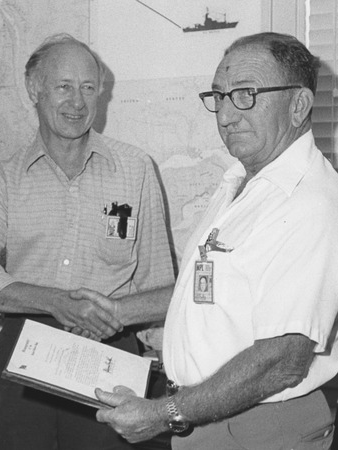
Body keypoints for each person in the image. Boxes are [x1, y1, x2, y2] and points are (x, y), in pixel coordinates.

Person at [75, 32, 338, 450]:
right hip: (211, 417)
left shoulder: (308, 201)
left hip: (260, 427)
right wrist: (119, 311)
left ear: (299, 105)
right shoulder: (241, 180)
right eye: (219, 96)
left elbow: (283, 360)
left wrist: (166, 414)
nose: (226, 115)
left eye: (246, 94)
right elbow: (210, 285)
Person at [0, 33, 175, 450]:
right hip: (25, 352)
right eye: (64, 86)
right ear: (34, 89)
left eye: (88, 88)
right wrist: (54, 301)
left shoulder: (134, 169)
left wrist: (172, 372)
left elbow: (160, 282)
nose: (77, 102)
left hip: (110, 354)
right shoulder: (1, 180)